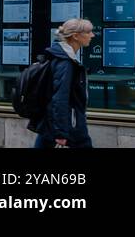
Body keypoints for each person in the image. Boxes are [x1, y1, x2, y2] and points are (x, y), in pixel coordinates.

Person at [30, 18, 95, 148]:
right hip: (69, 125)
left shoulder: (60, 56)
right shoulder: (65, 63)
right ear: (76, 36)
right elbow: (60, 97)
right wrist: (61, 133)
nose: (92, 35)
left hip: (57, 122)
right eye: (89, 32)